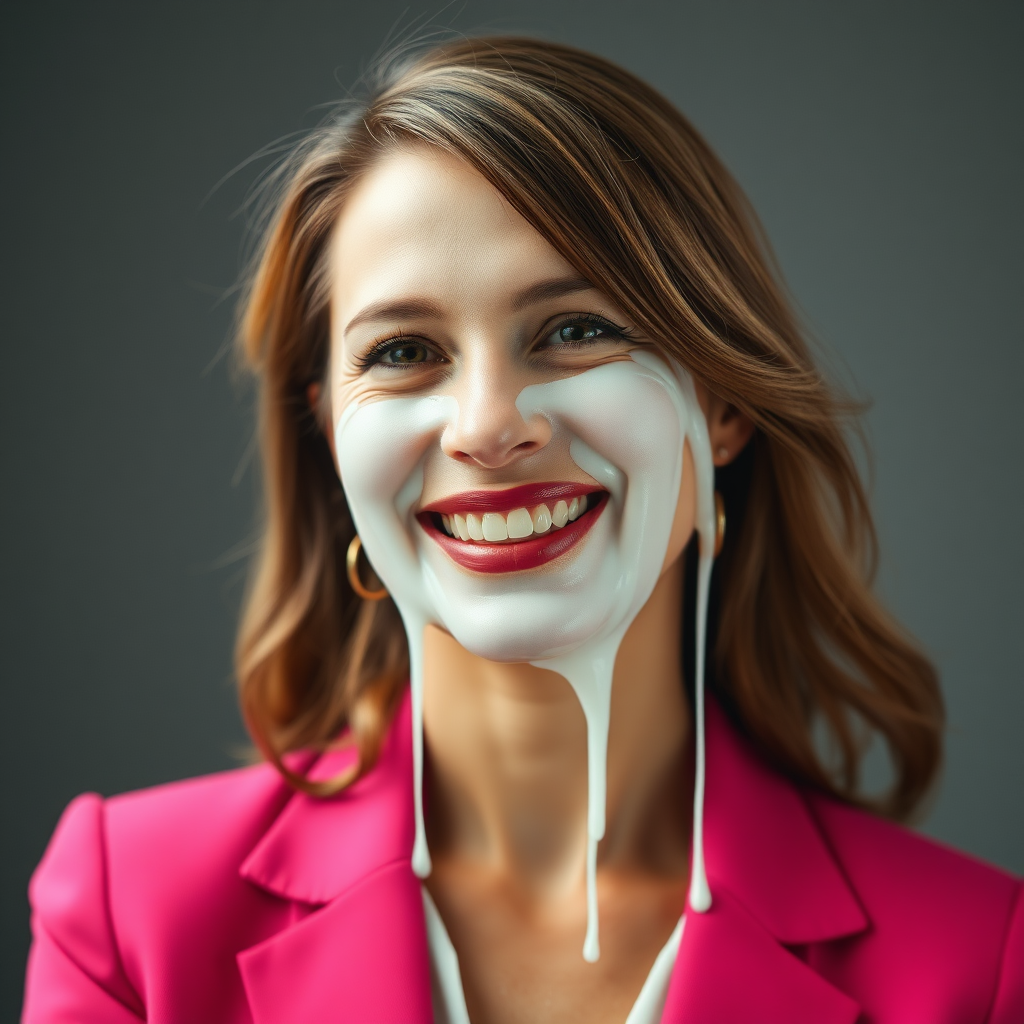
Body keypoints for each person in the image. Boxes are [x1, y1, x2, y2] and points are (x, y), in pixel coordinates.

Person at [22, 36, 1022, 1024]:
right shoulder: (130, 918)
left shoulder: (979, 965)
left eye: (575, 330)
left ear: (720, 401)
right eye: (405, 351)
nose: (489, 426)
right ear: (331, 431)